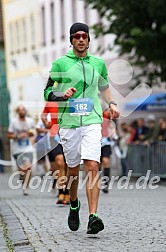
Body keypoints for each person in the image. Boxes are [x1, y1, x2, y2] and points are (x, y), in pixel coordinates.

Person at [44, 22, 120, 234]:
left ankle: (93, 216)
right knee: (73, 170)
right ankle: (74, 203)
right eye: (76, 36)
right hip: (68, 123)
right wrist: (61, 95)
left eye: (84, 36)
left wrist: (111, 103)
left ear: (88, 39)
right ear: (71, 40)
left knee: (92, 166)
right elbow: (47, 92)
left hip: (91, 121)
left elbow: (104, 86)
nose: (80, 40)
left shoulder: (98, 63)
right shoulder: (60, 64)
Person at [41, 102, 69, 204]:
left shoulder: (70, 99)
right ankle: (61, 191)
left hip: (69, 134)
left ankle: (68, 192)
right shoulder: (50, 102)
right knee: (59, 162)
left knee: (68, 165)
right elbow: (43, 115)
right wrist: (45, 121)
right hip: (55, 136)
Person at [7, 105, 35, 195]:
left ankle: (26, 187)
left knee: (29, 167)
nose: (22, 111)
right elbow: (9, 135)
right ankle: (22, 178)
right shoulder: (14, 122)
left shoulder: (30, 121)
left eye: (23, 110)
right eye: (20, 110)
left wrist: (31, 134)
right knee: (22, 169)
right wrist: (17, 136)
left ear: (25, 111)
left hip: (28, 147)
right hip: (17, 148)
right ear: (17, 112)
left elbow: (33, 132)